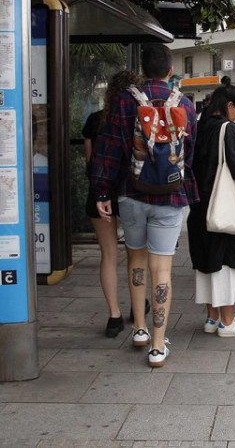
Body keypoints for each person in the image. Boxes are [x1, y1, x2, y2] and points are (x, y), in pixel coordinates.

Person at [91, 44, 198, 367]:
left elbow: (107, 150)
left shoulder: (124, 101)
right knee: (161, 269)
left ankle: (138, 328)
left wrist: (101, 192)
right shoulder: (186, 105)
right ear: (170, 70)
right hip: (169, 196)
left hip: (131, 193)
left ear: (141, 68)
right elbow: (188, 155)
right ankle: (156, 344)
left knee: (135, 261)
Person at [187, 78, 235, 338]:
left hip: (200, 206)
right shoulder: (228, 129)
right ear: (230, 105)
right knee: (226, 262)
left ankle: (212, 318)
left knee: (207, 262)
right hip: (224, 206)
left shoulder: (199, 127)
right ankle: (228, 322)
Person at [83, 70, 142, 338]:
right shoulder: (136, 114)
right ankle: (137, 308)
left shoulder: (95, 121)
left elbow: (90, 162)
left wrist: (99, 189)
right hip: (128, 191)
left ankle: (114, 315)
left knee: (108, 255)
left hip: (99, 191)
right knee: (135, 255)